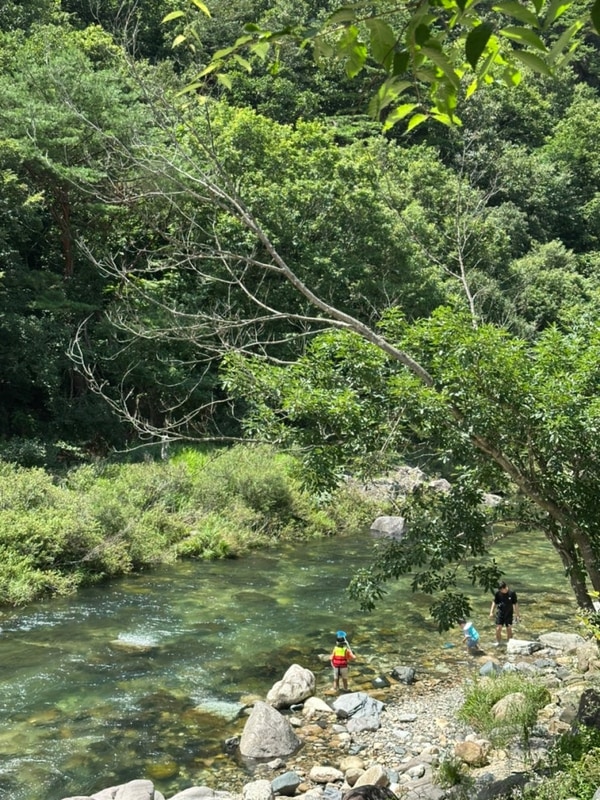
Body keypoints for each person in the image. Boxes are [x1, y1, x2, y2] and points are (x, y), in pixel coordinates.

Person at [489, 581, 520, 645]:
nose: (501, 591)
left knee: (509, 628)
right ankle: (498, 642)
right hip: (500, 612)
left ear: (505, 587)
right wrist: (491, 612)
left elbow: (515, 604)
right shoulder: (498, 593)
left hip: (509, 613)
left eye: (502, 590)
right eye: (500, 590)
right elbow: (494, 602)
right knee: (498, 628)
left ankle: (509, 643)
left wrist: (517, 615)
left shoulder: (512, 593)